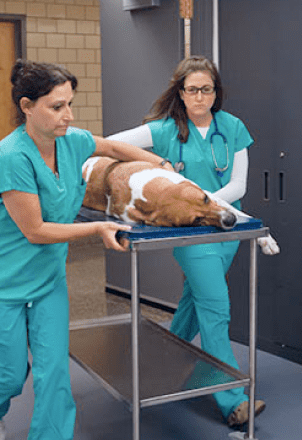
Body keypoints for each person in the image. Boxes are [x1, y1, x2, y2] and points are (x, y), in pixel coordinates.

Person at [0, 59, 172, 440]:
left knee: (53, 370)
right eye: (57, 107)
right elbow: (36, 230)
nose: (68, 115)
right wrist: (98, 227)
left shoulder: (72, 142)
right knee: (10, 372)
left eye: (69, 104)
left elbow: (113, 147)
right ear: (27, 106)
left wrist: (162, 167)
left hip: (46, 279)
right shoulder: (11, 158)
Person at [108, 55, 266, 427]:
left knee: (193, 304)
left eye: (207, 89)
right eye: (192, 89)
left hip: (228, 228)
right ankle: (233, 401)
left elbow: (239, 185)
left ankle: (155, 362)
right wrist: (153, 170)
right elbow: (113, 145)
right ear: (180, 92)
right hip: (189, 232)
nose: (200, 97)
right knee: (216, 308)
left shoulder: (232, 127)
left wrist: (210, 205)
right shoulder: (164, 130)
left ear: (216, 92)